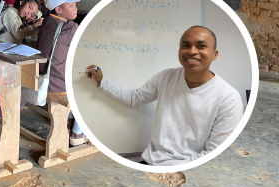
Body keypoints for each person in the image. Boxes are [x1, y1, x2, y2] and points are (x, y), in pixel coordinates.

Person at [86, 26, 244, 166]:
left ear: (214, 54)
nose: (192, 51)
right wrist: (102, 81)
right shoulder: (166, 77)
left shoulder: (229, 99)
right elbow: (134, 98)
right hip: (149, 162)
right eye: (186, 45)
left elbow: (214, 155)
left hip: (188, 171)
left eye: (201, 46)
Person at [39, 0, 88, 146]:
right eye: (71, 6)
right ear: (59, 9)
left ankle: (71, 118)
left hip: (44, 79)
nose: (76, 9)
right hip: (59, 84)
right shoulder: (70, 28)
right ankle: (77, 134)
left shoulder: (46, 22)